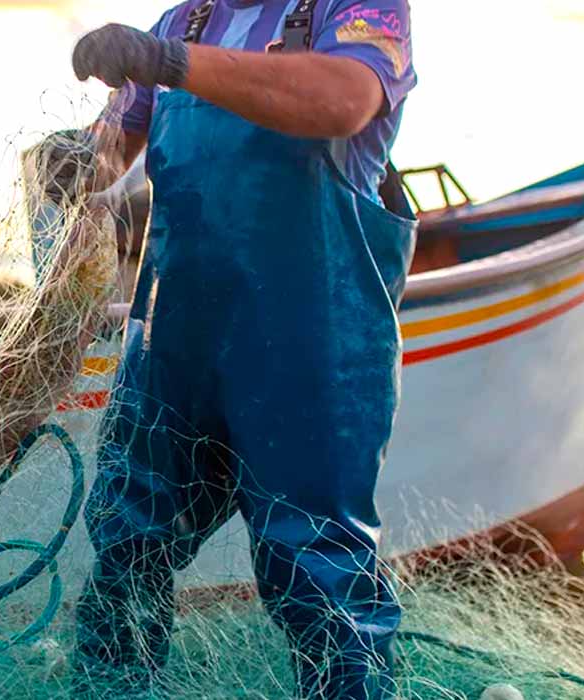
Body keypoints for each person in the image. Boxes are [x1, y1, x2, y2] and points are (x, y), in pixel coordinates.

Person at [66, 1, 418, 698]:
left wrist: (170, 64)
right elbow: (111, 147)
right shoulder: (179, 21)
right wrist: (72, 160)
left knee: (316, 565)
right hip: (172, 349)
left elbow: (344, 98)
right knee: (128, 542)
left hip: (311, 347)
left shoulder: (358, 8)